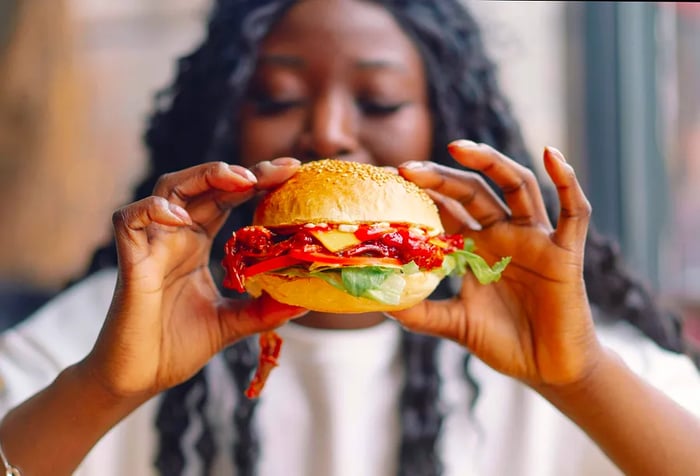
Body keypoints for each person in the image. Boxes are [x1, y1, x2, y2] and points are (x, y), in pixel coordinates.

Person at [1, 0, 699, 475]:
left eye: (380, 102)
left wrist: (581, 380)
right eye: (276, 98)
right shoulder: (115, 326)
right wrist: (101, 389)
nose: (329, 132)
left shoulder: (558, 332)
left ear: (442, 127)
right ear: (226, 128)